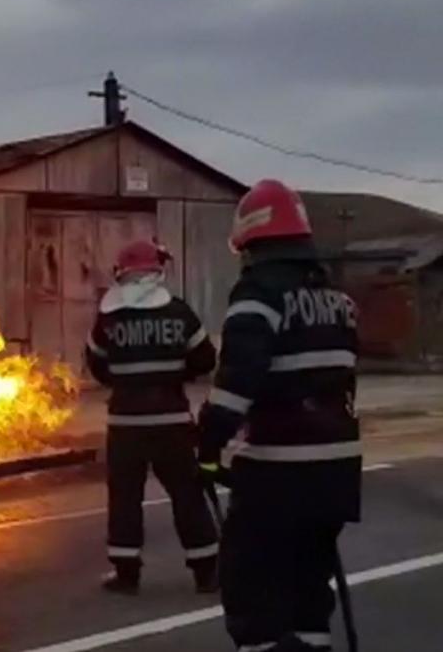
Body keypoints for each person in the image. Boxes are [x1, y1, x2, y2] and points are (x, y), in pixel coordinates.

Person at [197, 179, 361, 651]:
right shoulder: (338, 300)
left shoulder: (256, 295)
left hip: (278, 475)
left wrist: (206, 449)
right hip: (336, 474)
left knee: (252, 595)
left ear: (253, 242)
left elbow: (235, 387)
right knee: (309, 594)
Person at [85, 239, 220, 595]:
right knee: (187, 494)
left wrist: (126, 380)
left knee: (125, 498)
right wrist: (176, 373)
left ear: (122, 273)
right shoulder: (178, 312)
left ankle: (126, 573)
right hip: (171, 421)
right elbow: (206, 359)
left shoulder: (109, 317)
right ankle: (206, 571)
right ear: (155, 272)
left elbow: (96, 364)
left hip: (125, 423)